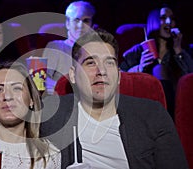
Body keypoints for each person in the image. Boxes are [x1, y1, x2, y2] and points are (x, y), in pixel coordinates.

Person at [40, 29, 188, 168]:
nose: (102, 71)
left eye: (109, 63)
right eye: (91, 63)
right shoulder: (49, 114)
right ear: (72, 75)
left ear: (118, 75)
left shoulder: (152, 114)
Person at [120, 6, 193, 119]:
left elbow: (188, 81)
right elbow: (120, 77)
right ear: (153, 21)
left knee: (160, 69)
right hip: (144, 105)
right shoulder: (136, 51)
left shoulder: (181, 51)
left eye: (172, 19)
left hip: (173, 109)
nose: (169, 22)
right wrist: (139, 67)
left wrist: (178, 50)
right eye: (163, 18)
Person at [42, 0, 97, 94]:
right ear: (67, 23)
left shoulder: (97, 51)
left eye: (86, 20)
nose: (81, 25)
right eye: (76, 20)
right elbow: (44, 81)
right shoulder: (56, 47)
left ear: (92, 25)